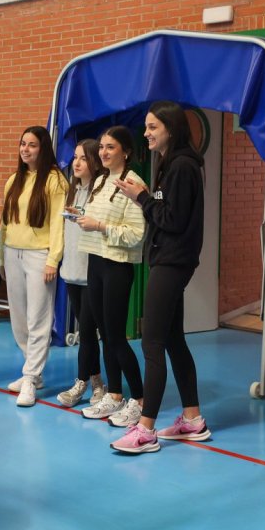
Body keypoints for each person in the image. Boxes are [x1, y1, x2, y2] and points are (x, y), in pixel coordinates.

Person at [110, 100, 210, 454]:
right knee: (172, 340)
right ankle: (193, 419)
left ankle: (146, 428)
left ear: (170, 128)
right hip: (167, 259)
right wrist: (149, 200)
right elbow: (168, 212)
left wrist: (142, 199)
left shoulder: (182, 166)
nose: (147, 133)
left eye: (153, 127)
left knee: (151, 343)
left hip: (172, 262)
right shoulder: (171, 164)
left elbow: (172, 219)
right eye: (147, 127)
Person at [74, 126, 147, 427]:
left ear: (125, 151)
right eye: (101, 147)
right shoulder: (101, 180)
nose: (103, 152)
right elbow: (99, 218)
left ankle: (140, 400)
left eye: (110, 147)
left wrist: (101, 227)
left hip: (117, 266)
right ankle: (114, 395)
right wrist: (80, 216)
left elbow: (137, 234)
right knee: (105, 335)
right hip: (96, 261)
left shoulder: (133, 183)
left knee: (117, 337)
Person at [0, 126, 68, 407]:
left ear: (43, 148)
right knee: (19, 320)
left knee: (39, 319)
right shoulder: (14, 180)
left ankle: (30, 378)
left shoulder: (55, 181)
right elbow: (5, 223)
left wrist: (53, 259)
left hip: (40, 256)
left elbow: (57, 225)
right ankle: (33, 372)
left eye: (32, 145)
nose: (25, 149)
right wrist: (2, 257)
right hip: (13, 254)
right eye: (22, 144)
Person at [56, 139, 106, 407]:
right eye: (75, 157)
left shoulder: (100, 191)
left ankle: (81, 383)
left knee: (87, 331)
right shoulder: (72, 190)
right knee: (86, 331)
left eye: (83, 158)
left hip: (92, 273)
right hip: (72, 271)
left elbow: (97, 222)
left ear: (95, 162)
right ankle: (97, 382)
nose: (76, 163)